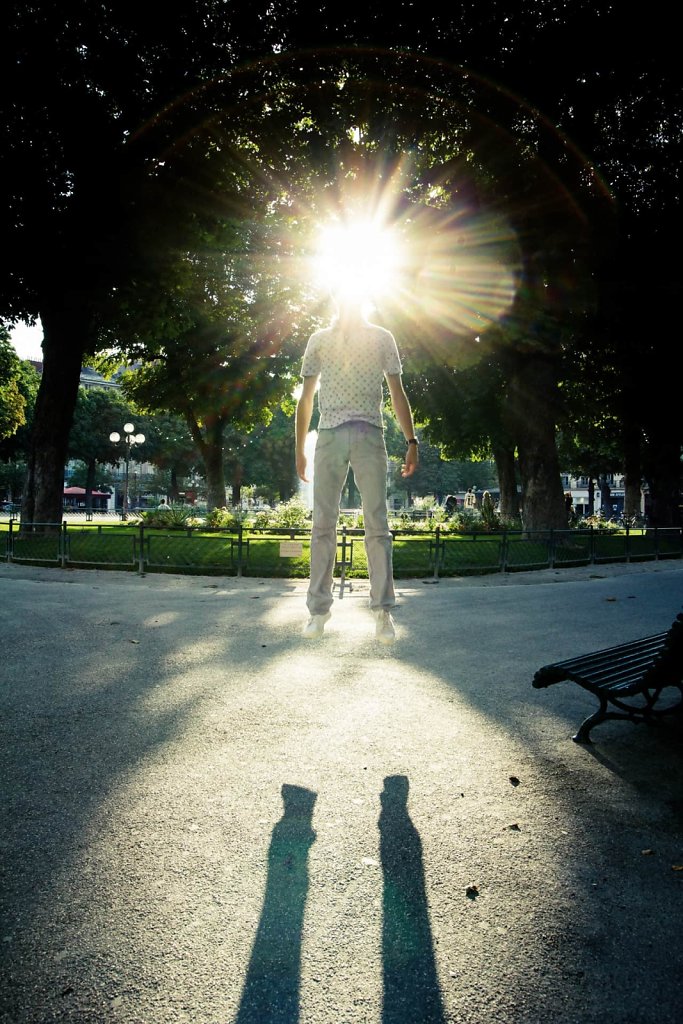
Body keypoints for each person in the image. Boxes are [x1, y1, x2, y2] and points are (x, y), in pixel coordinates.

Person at [295, 295, 418, 644]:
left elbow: (397, 392)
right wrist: (299, 449)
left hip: (369, 435)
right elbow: (305, 399)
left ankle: (383, 611)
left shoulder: (382, 337)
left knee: (377, 523)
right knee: (322, 524)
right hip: (329, 435)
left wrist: (412, 441)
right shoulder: (318, 340)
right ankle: (318, 612)